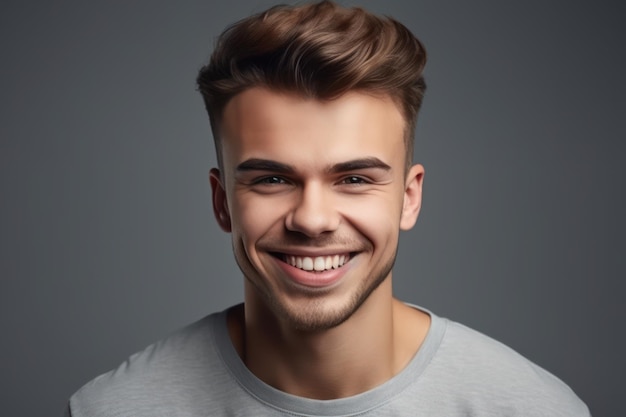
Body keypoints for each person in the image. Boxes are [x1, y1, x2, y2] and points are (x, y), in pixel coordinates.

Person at [65, 1, 590, 415]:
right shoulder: (110, 409)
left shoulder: (530, 408)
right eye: (272, 179)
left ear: (410, 197)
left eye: (355, 179)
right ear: (222, 201)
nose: (313, 220)